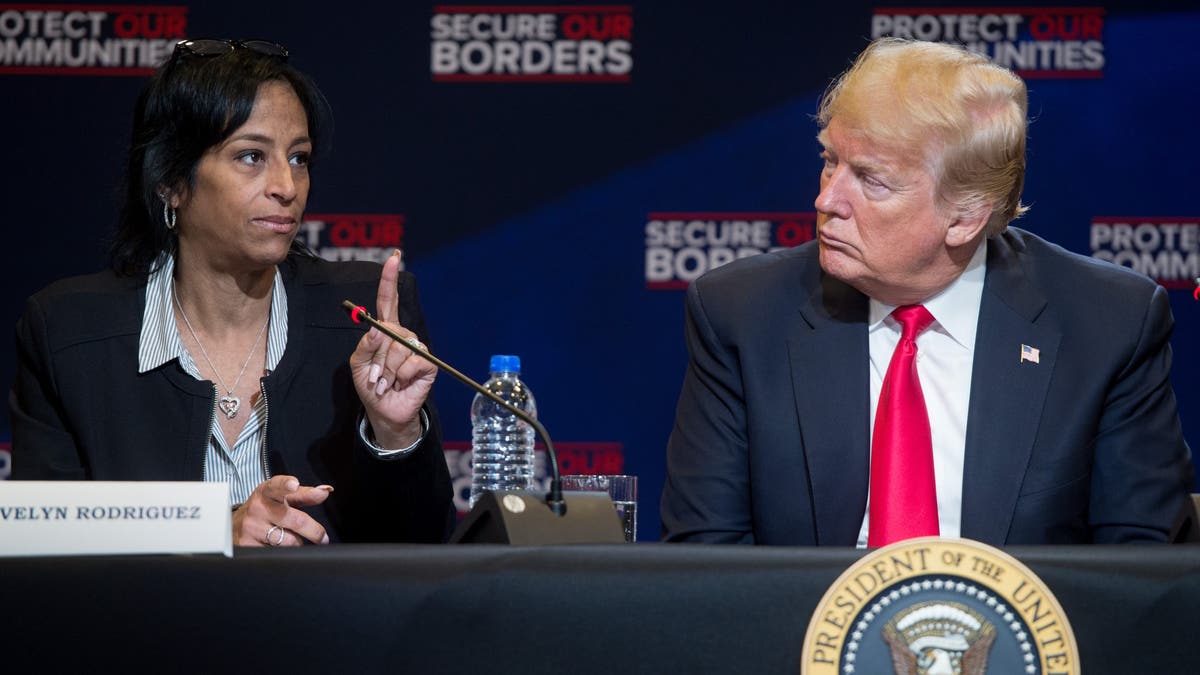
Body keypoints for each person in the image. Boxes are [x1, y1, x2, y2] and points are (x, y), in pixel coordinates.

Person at [660, 38, 1193, 546]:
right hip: (795, 636)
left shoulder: (1107, 325)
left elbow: (1137, 571)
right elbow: (707, 557)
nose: (826, 199)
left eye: (871, 180)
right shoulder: (743, 314)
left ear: (963, 218)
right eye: (830, 161)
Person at [10, 39, 454, 545]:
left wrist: (396, 434)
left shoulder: (364, 320)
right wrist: (215, 532)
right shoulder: (70, 334)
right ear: (171, 182)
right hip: (142, 625)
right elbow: (40, 549)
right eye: (251, 156)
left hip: (330, 624)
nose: (287, 185)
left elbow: (427, 554)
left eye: (299, 158)